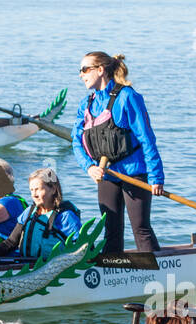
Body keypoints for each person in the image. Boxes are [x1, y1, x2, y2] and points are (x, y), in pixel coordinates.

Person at [72, 51, 164, 254]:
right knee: (111, 231)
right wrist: (89, 167)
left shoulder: (128, 97)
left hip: (134, 174)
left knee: (141, 229)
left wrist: (156, 177)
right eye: (80, 70)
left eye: (85, 69)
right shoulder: (86, 104)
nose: (81, 74)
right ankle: (114, 278)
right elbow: (76, 142)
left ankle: (161, 275)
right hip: (107, 175)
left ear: (101, 70)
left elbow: (147, 139)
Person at [0, 167, 82, 260]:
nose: (34, 195)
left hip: (54, 269)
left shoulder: (66, 217)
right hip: (26, 266)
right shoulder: (29, 212)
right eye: (31, 190)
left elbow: (82, 247)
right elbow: (11, 242)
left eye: (37, 189)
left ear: (53, 189)